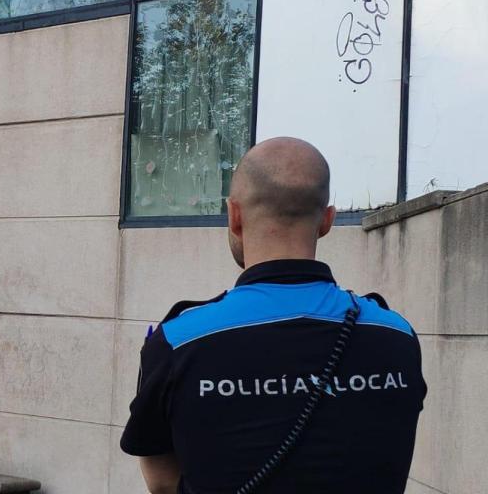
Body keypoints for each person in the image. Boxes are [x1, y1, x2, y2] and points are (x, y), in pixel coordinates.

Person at [121, 137, 426, 494]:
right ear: (327, 220)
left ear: (234, 216)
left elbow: (159, 479)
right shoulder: (398, 336)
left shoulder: (178, 340)